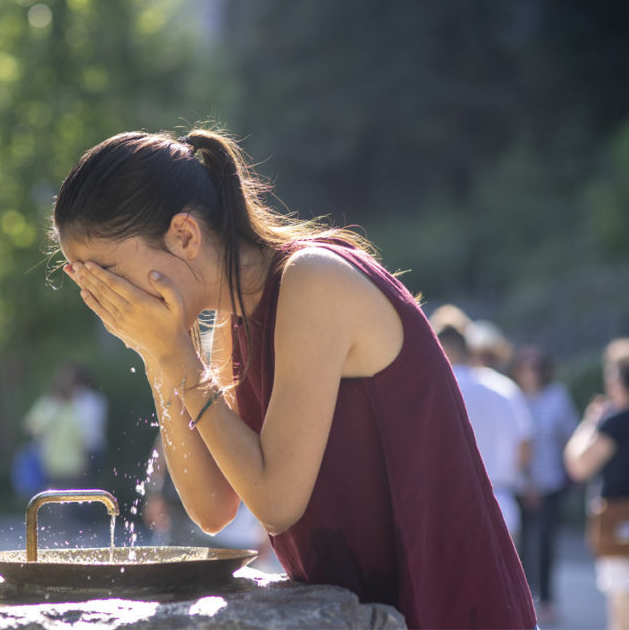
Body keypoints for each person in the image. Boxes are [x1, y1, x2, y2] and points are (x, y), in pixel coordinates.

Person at [52, 128, 536, 628]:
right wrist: (159, 353)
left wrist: (176, 356)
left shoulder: (313, 280)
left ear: (185, 236)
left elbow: (277, 503)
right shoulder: (230, 316)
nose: (102, 295)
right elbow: (213, 507)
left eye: (106, 271)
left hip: (449, 605)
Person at [431, 315, 533, 541]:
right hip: (502, 503)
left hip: (450, 506)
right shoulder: (504, 387)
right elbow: (525, 447)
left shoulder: (436, 388)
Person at [511, 344, 579, 624]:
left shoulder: (557, 397)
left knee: (548, 544)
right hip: (518, 483)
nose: (530, 373)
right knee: (521, 547)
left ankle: (548, 600)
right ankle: (522, 601)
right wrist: (526, 483)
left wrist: (569, 474)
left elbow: (571, 435)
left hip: (550, 482)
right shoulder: (511, 395)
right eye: (526, 366)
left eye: (536, 367)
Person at [565, 339, 629, 630]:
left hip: (620, 524)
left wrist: (590, 422)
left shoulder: (615, 422)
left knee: (622, 610)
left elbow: (578, 464)